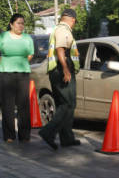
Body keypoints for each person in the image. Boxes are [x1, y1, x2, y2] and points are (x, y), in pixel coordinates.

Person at [38, 9, 81, 150]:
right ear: (72, 19)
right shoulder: (63, 30)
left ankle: (67, 138)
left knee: (64, 103)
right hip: (61, 69)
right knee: (68, 103)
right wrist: (66, 69)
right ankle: (48, 132)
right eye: (75, 21)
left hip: (56, 70)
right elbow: (61, 49)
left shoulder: (58, 29)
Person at [0, 13, 34, 143]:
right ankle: (9, 135)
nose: (21, 26)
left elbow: (30, 54)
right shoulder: (3, 37)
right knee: (8, 106)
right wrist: (4, 64)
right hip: (7, 75)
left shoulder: (27, 38)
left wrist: (20, 63)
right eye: (18, 23)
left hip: (23, 74)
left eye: (22, 23)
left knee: (24, 105)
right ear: (11, 24)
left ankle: (24, 135)